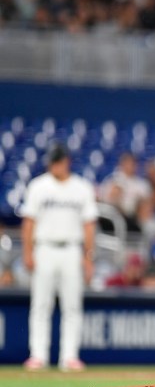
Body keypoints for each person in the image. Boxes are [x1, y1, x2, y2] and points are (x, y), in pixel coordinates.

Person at [21, 143, 98, 372]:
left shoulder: (81, 188)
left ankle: (69, 356)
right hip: (44, 247)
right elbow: (29, 222)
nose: (55, 165)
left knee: (72, 306)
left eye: (58, 161)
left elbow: (89, 225)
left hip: (72, 249)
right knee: (40, 305)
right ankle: (38, 355)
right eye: (52, 161)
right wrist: (28, 251)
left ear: (67, 162)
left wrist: (88, 257)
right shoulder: (38, 186)